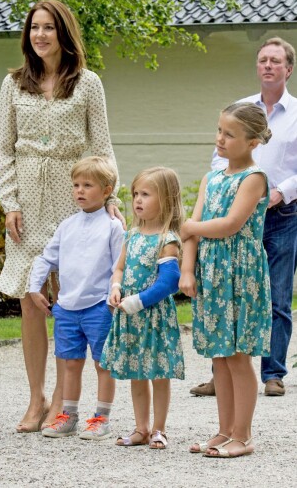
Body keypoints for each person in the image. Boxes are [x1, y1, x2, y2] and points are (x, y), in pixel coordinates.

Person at [0, 0, 122, 432]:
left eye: (49, 28)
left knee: (76, 297)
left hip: (76, 196)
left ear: (64, 34)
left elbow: (102, 146)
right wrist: (9, 202)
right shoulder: (13, 83)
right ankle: (37, 398)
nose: (41, 35)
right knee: (31, 302)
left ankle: (67, 404)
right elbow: (4, 149)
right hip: (27, 199)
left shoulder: (88, 84)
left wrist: (108, 195)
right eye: (34, 28)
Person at [191, 37, 297, 399]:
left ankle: (272, 372)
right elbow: (218, 159)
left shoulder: (296, 114)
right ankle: (220, 373)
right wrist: (228, 186)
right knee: (224, 293)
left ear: (288, 69)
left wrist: (279, 192)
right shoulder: (240, 110)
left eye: (275, 61)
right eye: (262, 59)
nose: (267, 65)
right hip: (231, 210)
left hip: (280, 212)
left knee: (277, 295)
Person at [180, 102, 272, 457]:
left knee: (237, 355)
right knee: (219, 356)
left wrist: (190, 226)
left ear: (252, 142)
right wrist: (187, 270)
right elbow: (193, 232)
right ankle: (224, 431)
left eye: (229, 134)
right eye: (219, 130)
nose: (220, 139)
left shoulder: (254, 179)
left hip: (241, 274)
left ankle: (243, 435)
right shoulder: (211, 177)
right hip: (213, 275)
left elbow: (230, 224)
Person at [26, 156, 123, 440]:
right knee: (70, 363)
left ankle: (101, 418)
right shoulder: (67, 225)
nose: (79, 190)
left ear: (106, 190)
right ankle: (68, 416)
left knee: (103, 364)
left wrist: (112, 297)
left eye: (88, 185)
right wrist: (34, 287)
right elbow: (46, 258)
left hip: (99, 307)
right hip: (67, 308)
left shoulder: (113, 227)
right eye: (76, 185)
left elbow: (119, 264)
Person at [101, 166, 184, 450]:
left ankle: (159, 429)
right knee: (136, 373)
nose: (137, 200)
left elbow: (169, 282)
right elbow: (119, 268)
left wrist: (137, 301)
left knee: (158, 374)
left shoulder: (167, 240)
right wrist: (115, 288)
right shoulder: (132, 235)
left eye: (146, 194)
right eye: (136, 193)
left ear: (166, 200)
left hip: (153, 316)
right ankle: (141, 428)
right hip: (130, 316)